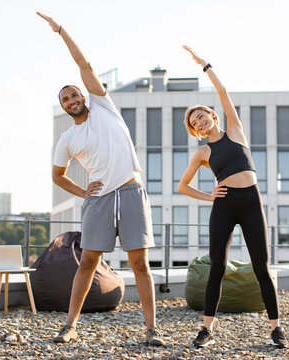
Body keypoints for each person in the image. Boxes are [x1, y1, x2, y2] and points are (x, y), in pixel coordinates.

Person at [37, 12, 165, 346]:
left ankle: (152, 330)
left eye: (74, 94)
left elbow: (84, 63)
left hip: (131, 192)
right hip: (99, 200)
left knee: (140, 263)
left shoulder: (104, 107)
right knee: (89, 262)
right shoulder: (67, 140)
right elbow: (57, 176)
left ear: (84, 95)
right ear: (63, 107)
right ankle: (70, 325)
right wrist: (83, 192)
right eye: (65, 99)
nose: (72, 100)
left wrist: (61, 31)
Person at [177, 45, 287, 349]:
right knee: (217, 268)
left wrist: (204, 64)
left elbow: (223, 90)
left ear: (212, 115)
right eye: (195, 123)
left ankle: (276, 329)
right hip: (224, 207)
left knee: (262, 266)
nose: (200, 122)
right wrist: (209, 195)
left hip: (251, 203)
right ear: (196, 130)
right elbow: (182, 186)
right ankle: (206, 330)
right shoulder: (202, 152)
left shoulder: (236, 131)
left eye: (201, 116)